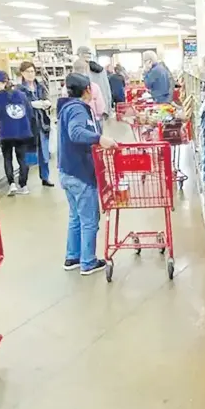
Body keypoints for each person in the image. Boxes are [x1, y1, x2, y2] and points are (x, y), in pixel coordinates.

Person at [57, 73, 117, 276]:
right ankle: (88, 262)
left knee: (76, 217)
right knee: (89, 219)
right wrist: (100, 138)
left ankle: (72, 257)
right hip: (79, 173)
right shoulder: (77, 109)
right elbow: (76, 133)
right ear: (88, 90)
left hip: (67, 172)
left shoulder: (66, 108)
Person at [0, 70, 33, 196]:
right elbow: (29, 112)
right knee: (23, 159)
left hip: (6, 133)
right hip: (22, 132)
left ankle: (12, 184)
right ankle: (24, 186)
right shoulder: (21, 94)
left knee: (7, 159)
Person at [16, 61, 54, 188]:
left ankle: (45, 177)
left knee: (44, 153)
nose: (30, 74)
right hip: (27, 125)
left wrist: (47, 103)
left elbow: (47, 98)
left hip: (42, 123)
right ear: (22, 73)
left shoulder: (40, 86)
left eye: (32, 71)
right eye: (27, 71)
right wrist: (31, 105)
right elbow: (19, 106)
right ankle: (23, 182)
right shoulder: (19, 89)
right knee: (27, 154)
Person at [74, 46, 113, 118]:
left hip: (88, 109)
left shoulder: (83, 70)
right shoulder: (102, 70)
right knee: (99, 128)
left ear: (80, 55)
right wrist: (108, 108)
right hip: (102, 106)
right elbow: (107, 89)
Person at [72, 58, 106, 129]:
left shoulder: (67, 87)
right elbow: (100, 107)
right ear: (87, 70)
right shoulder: (93, 86)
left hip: (75, 121)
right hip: (93, 120)